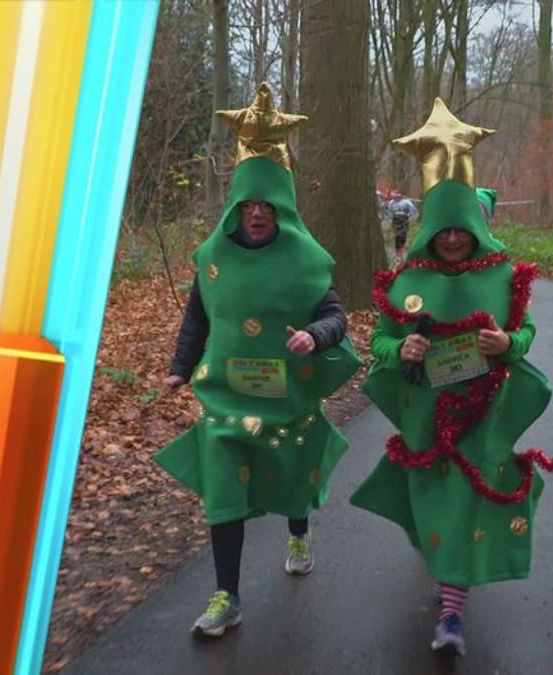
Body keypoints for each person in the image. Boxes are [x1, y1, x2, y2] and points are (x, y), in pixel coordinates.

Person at [350, 99, 553, 656]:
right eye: (444, 230)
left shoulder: (505, 275)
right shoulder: (408, 277)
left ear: (473, 225)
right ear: (431, 229)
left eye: (461, 229)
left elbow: (527, 334)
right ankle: (443, 570)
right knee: (434, 507)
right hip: (425, 418)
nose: (453, 239)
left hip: (483, 416)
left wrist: (506, 343)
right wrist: (403, 348)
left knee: (464, 503)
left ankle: (451, 618)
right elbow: (381, 343)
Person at [155, 84, 361, 637]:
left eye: (266, 206)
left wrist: (314, 338)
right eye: (248, 206)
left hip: (285, 398)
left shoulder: (306, 257)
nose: (256, 215)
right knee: (224, 488)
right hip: (225, 396)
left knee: (291, 478)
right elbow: (199, 316)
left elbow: (336, 316)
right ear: (236, 208)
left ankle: (299, 531)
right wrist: (181, 365)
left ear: (281, 210)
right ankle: (227, 594)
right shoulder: (213, 258)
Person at [388, 188, 418, 262]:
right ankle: (398, 257)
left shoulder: (406, 202)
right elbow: (389, 212)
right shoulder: (391, 203)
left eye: (396, 196)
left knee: (402, 237)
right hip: (395, 221)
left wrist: (406, 215)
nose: (395, 198)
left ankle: (402, 255)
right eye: (393, 196)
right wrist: (392, 217)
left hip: (403, 221)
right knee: (397, 238)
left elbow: (413, 210)